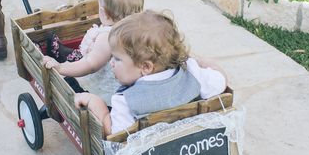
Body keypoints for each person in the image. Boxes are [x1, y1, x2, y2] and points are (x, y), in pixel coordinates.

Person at [74, 10, 227, 135]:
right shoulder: (192, 73)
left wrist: (96, 103)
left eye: (117, 58)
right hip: (188, 142)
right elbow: (220, 82)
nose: (111, 62)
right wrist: (204, 63)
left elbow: (115, 133)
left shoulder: (126, 101)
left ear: (146, 67)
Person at [42, 0, 145, 104]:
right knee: (80, 58)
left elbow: (90, 65)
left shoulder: (108, 37)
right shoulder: (142, 29)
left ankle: (62, 59)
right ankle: (65, 53)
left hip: (101, 91)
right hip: (128, 87)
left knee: (67, 83)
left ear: (103, 13)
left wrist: (61, 68)